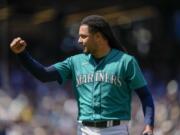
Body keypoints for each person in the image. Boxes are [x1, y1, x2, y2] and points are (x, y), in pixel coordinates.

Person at [10, 15, 154, 135]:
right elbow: (44, 75)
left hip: (115, 130)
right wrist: (22, 54)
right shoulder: (75, 62)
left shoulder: (125, 61)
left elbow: (145, 95)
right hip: (85, 130)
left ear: (98, 37)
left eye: (83, 36)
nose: (79, 40)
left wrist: (149, 125)